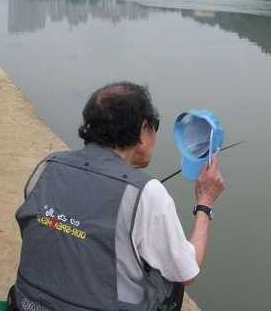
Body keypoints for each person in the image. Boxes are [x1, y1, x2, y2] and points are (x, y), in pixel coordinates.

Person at [11, 81, 225, 311]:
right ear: (144, 129)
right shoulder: (147, 192)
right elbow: (186, 272)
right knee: (169, 275)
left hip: (25, 304)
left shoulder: (47, 167)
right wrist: (205, 203)